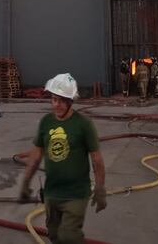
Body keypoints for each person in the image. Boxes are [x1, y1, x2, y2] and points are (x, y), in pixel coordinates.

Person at [19, 73, 106, 244]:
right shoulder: (46, 122)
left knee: (69, 236)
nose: (56, 105)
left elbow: (97, 159)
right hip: (52, 192)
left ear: (70, 101)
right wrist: (25, 181)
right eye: (53, 99)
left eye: (61, 100)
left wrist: (100, 189)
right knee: (54, 235)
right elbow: (36, 154)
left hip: (76, 193)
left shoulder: (83, 125)